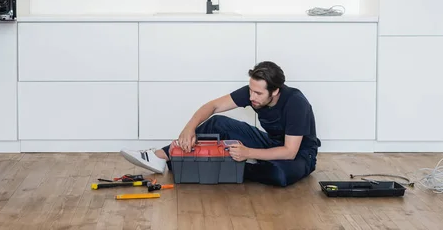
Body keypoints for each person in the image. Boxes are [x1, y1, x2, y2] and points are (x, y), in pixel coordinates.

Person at [120, 61, 321, 187]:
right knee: (217, 122)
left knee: (278, 175)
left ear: (275, 91)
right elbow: (214, 106)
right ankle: (160, 156)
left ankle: (236, 164)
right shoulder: (254, 91)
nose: (251, 97)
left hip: (301, 154)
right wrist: (189, 127)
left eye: (258, 93)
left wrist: (248, 153)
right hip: (271, 142)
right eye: (250, 90)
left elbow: (289, 152)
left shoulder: (296, 103)